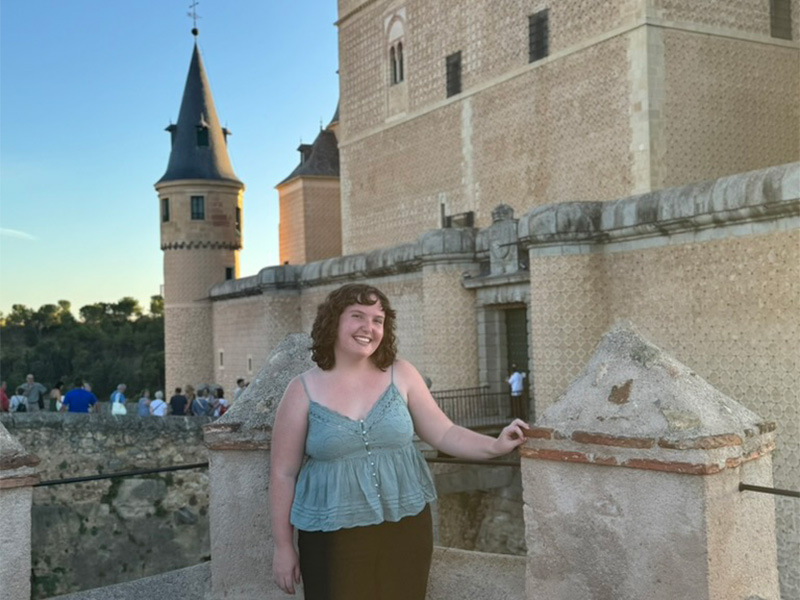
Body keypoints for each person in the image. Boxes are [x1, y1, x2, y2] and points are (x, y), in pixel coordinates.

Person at [270, 283, 529, 599]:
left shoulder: (402, 373)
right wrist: (283, 546)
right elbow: (283, 473)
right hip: (332, 535)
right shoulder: (301, 390)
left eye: (377, 320)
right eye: (357, 316)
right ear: (333, 321)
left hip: (406, 526)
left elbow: (444, 433)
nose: (368, 327)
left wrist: (495, 445)